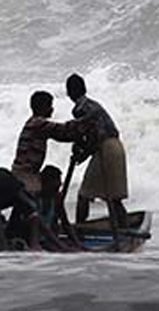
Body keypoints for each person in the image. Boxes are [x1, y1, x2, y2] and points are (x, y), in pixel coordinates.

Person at [66, 73, 129, 228]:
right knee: (113, 197)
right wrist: (82, 151)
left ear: (69, 92)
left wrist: (81, 155)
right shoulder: (93, 104)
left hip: (105, 149)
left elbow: (93, 138)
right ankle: (124, 228)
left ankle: (79, 230)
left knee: (84, 194)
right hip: (116, 147)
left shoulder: (80, 109)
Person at [11, 90, 85, 194]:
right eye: (50, 106)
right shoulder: (39, 124)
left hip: (23, 172)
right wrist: (84, 123)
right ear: (43, 107)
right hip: (26, 176)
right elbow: (64, 132)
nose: (52, 109)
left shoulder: (32, 122)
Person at [36, 165, 83, 251]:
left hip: (50, 240)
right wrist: (62, 246)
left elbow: (65, 224)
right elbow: (43, 228)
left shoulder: (56, 199)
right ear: (46, 182)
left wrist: (77, 243)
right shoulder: (35, 198)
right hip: (37, 240)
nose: (60, 183)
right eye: (56, 180)